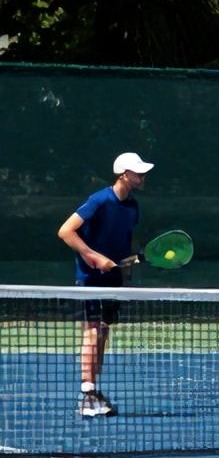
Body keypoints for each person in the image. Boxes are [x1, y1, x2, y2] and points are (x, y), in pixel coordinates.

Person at [57, 151, 153, 418]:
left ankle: (93, 391)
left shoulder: (132, 207)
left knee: (103, 332)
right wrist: (93, 257)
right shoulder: (99, 200)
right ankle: (86, 394)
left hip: (113, 280)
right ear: (124, 174)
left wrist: (125, 275)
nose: (143, 176)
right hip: (90, 278)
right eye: (138, 172)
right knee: (92, 330)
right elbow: (65, 231)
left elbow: (126, 240)